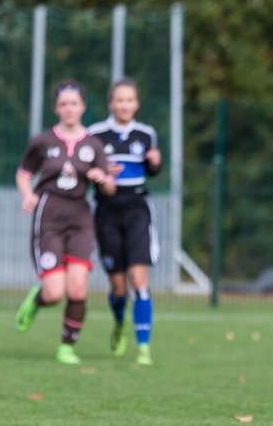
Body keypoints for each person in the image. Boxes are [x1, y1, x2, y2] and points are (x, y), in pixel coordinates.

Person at [14, 80, 116, 364]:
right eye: (63, 104)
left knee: (78, 288)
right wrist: (27, 195)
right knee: (55, 292)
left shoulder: (94, 145)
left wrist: (103, 179)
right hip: (49, 216)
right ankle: (37, 301)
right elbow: (23, 173)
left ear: (82, 106)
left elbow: (109, 188)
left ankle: (67, 347)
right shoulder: (42, 142)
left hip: (81, 218)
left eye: (74, 103)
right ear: (56, 108)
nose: (69, 109)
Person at [87, 78, 163, 366]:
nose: (124, 105)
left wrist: (155, 162)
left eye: (130, 100)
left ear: (137, 104)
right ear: (111, 104)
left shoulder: (146, 134)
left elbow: (153, 169)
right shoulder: (96, 133)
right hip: (107, 210)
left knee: (139, 281)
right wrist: (100, 173)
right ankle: (119, 323)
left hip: (137, 209)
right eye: (119, 100)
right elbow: (87, 170)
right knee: (118, 287)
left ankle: (144, 346)